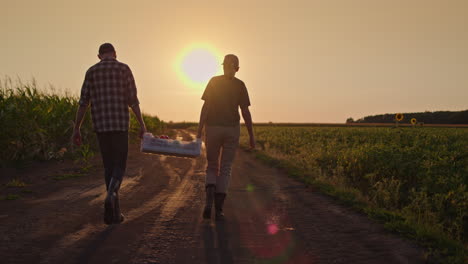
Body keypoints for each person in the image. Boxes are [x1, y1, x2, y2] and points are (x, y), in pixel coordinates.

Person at [72, 43, 147, 225]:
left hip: (101, 126)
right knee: (119, 166)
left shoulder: (91, 72)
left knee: (108, 167)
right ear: (115, 53)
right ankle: (112, 195)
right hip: (120, 125)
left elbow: (83, 103)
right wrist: (142, 125)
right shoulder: (123, 69)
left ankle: (112, 214)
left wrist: (77, 128)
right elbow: (133, 101)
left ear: (99, 56)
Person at [197, 54, 255, 221]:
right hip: (231, 130)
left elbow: (206, 106)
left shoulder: (214, 81)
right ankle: (219, 209)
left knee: (212, 165)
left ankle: (208, 200)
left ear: (224, 66)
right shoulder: (240, 85)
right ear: (237, 68)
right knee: (226, 168)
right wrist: (251, 135)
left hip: (213, 128)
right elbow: (245, 112)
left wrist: (200, 129)